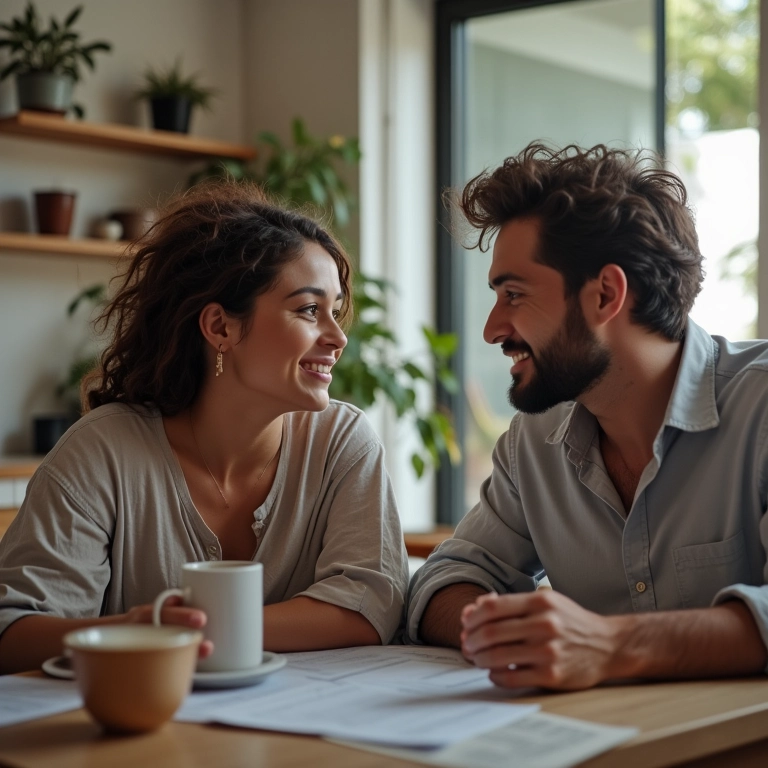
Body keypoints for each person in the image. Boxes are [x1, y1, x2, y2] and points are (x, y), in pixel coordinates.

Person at [0, 182, 408, 674]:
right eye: (307, 309)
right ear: (220, 328)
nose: (338, 337)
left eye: (335, 310)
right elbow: (14, 631)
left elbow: (370, 605)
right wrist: (135, 628)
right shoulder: (102, 451)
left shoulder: (344, 442)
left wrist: (191, 633)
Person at [406, 142, 768, 690]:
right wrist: (502, 631)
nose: (491, 329)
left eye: (514, 294)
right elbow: (450, 577)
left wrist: (608, 646)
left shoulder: (760, 409)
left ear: (605, 295)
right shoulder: (535, 439)